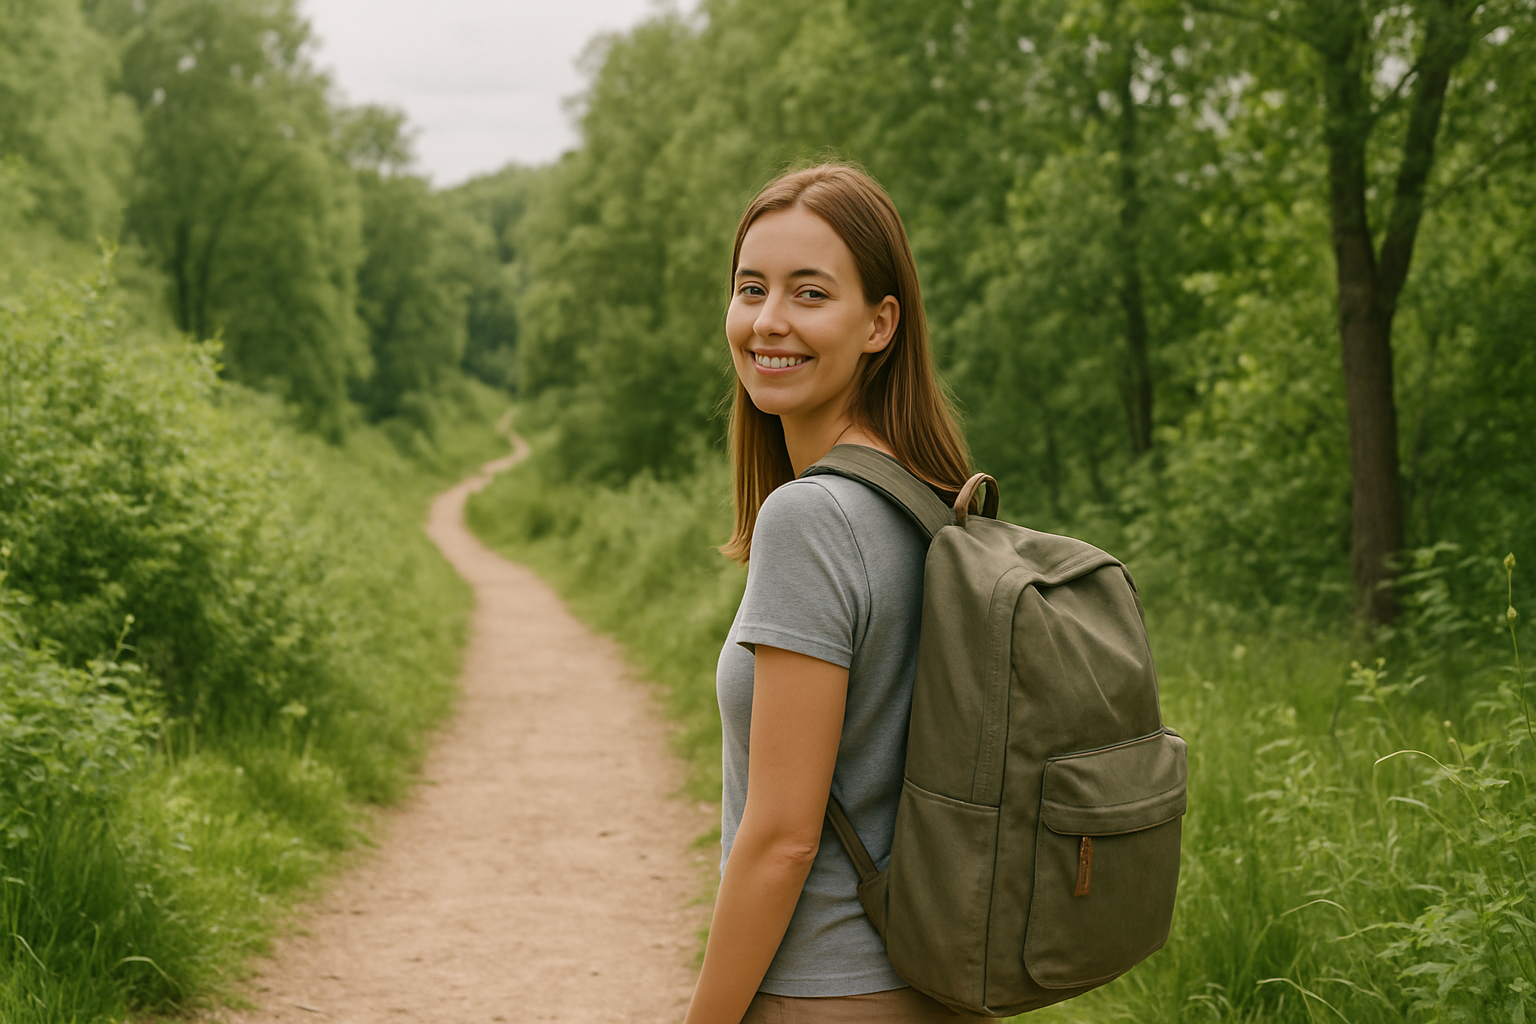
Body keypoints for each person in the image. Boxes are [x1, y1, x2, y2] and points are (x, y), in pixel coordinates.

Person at [684, 164, 981, 1024]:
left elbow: (782, 841)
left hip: (828, 990)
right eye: (751, 288)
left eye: (809, 293)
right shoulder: (931, 494)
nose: (768, 321)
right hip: (937, 986)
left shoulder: (810, 519)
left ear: (879, 322)